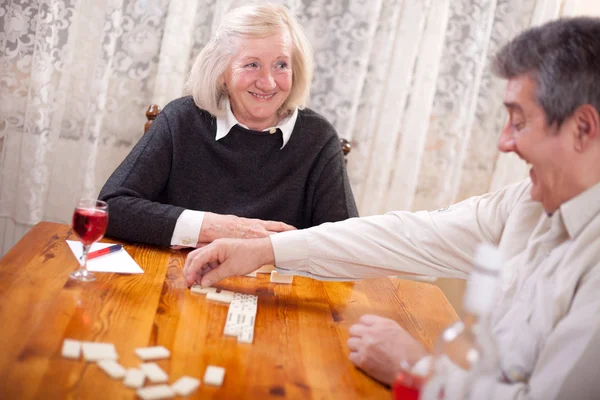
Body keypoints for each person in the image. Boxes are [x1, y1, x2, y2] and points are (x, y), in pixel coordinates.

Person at [182, 17, 600, 399]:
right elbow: (408, 234)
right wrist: (264, 250)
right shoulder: (525, 202)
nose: (505, 142)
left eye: (520, 121)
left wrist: (419, 368)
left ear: (582, 129)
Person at [99, 4, 358, 247]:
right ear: (222, 72)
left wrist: (272, 250)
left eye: (281, 65)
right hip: (179, 282)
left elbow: (347, 246)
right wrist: (215, 228)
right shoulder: (181, 119)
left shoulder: (318, 138)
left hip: (274, 291)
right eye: (252, 64)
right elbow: (110, 208)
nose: (268, 82)